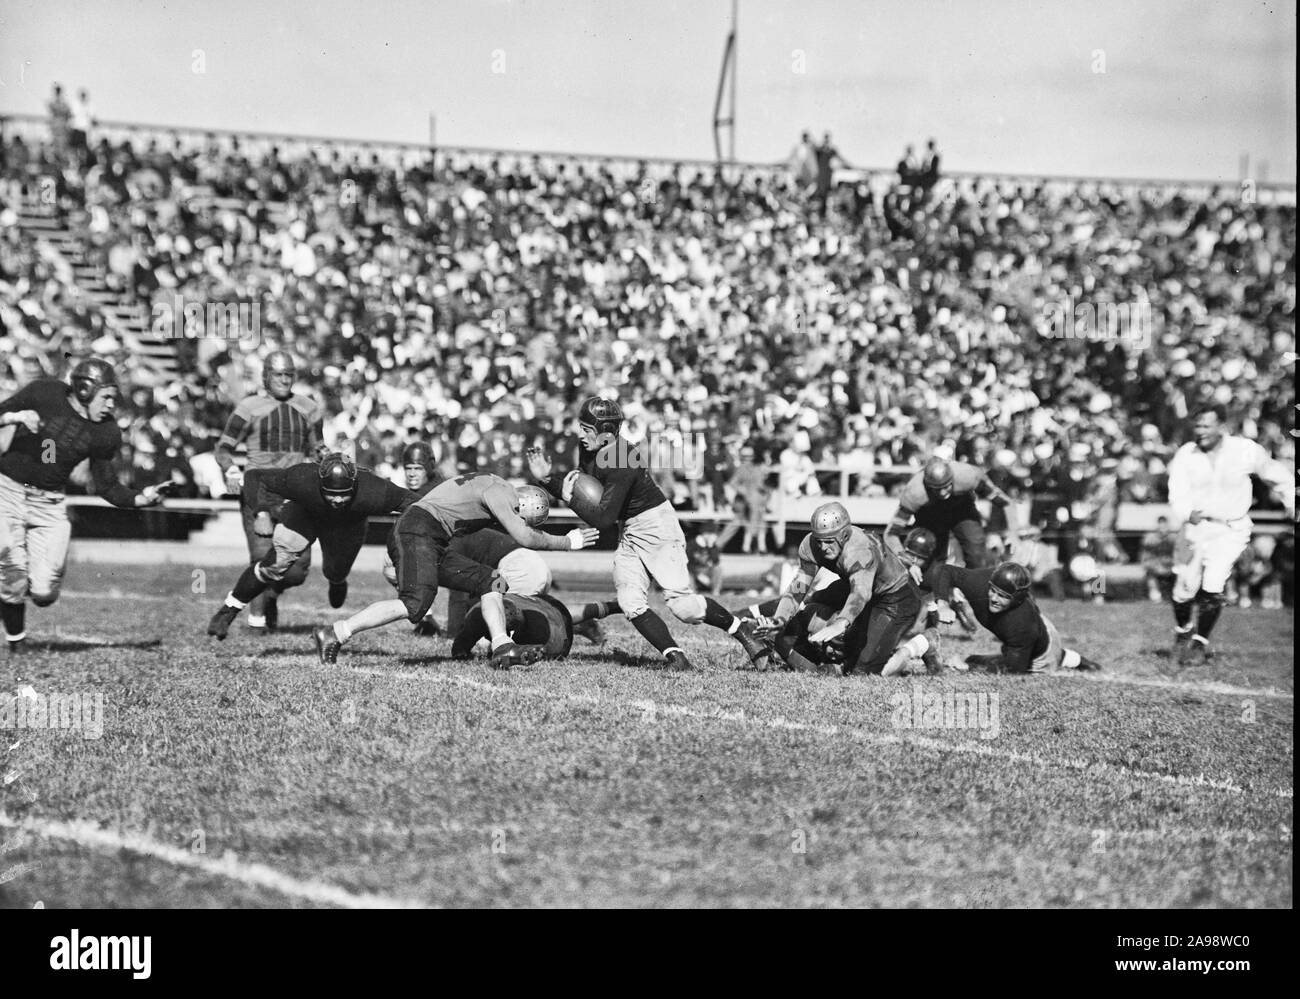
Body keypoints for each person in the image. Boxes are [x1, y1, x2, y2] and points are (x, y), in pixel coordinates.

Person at [527, 397, 770, 671]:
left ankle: (743, 630)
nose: (580, 434)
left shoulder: (622, 458)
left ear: (606, 431)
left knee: (683, 607)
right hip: (630, 527)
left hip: (656, 526)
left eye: (587, 429)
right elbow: (588, 493)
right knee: (630, 602)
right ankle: (677, 659)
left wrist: (568, 497)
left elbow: (602, 517)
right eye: (580, 427)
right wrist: (546, 479)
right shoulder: (591, 447)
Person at [314, 473, 598, 669]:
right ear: (521, 505)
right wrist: (567, 542)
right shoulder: (499, 493)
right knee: (415, 603)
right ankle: (336, 632)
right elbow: (525, 538)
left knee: (492, 580)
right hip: (418, 530)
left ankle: (501, 645)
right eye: (520, 517)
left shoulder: (495, 484)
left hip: (429, 535)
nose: (514, 520)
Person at [0, 359, 166, 659]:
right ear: (85, 389)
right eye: (107, 396)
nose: (111, 404)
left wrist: (140, 499)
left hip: (49, 503)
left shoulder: (105, 432)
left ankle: (24, 586)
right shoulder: (43, 392)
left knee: (43, 593)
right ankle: (16, 639)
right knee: (9, 562)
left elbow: (106, 485)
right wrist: (14, 416)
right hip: (6, 490)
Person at [207, 453, 412, 639]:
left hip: (349, 524)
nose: (338, 499)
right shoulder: (302, 478)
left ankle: (337, 579)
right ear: (320, 483)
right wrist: (261, 511)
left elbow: (417, 503)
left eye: (344, 493)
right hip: (304, 514)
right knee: (277, 562)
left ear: (356, 486)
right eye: (331, 493)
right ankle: (230, 608)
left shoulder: (374, 489)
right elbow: (254, 477)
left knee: (336, 571)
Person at [1165, 405, 1293, 664]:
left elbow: (1275, 474)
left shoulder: (1244, 450)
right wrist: (1186, 512)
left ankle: (1199, 645)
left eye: (1206, 426)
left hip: (1231, 528)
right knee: (1183, 589)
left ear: (1221, 425)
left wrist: (1290, 500)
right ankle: (1182, 632)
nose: (1200, 432)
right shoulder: (1186, 454)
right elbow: (1176, 492)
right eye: (1197, 426)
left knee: (1214, 582)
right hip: (1196, 528)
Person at [215, 351, 325, 632]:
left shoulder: (309, 407)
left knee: (298, 568)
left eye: (289, 374)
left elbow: (318, 447)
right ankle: (257, 622)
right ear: (266, 376)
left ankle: (271, 594)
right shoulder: (248, 406)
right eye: (279, 374)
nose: (285, 380)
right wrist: (230, 470)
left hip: (294, 493)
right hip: (259, 491)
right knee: (262, 555)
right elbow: (224, 447)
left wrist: (329, 456)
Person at [755, 502, 921, 676]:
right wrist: (779, 619)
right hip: (852, 586)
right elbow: (798, 587)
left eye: (828, 541)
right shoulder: (810, 545)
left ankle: (914, 647)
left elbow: (860, 593)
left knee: (862, 672)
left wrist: (841, 622)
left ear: (843, 536)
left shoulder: (860, 550)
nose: (823, 547)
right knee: (806, 611)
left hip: (894, 598)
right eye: (819, 541)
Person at [897, 561, 1102, 675]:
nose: (994, 598)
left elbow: (1014, 671)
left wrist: (971, 667)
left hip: (1041, 653)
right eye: (993, 591)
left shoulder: (1021, 624)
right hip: (1037, 629)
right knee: (975, 659)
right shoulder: (980, 582)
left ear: (1018, 599)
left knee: (1037, 661)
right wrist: (942, 603)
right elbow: (944, 570)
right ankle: (1076, 659)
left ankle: (1075, 660)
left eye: (1003, 596)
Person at [886, 456, 1020, 570]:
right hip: (930, 516)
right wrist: (904, 559)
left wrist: (1013, 532)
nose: (944, 493)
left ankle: (975, 592)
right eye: (937, 489)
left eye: (946, 486)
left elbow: (1006, 502)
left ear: (953, 479)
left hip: (962, 511)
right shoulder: (914, 493)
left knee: (977, 556)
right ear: (928, 486)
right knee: (927, 558)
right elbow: (891, 532)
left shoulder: (968, 475)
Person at [716, 445, 769, 554]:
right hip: (742, 504)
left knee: (759, 519)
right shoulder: (740, 469)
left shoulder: (757, 469)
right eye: (745, 456)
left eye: (749, 456)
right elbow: (733, 483)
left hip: (755, 503)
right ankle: (718, 545)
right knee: (739, 521)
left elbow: (762, 486)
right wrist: (745, 492)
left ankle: (756, 547)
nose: (747, 459)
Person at [1139, 515, 1179, 602]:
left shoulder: (1174, 538)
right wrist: (1154, 565)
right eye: (1161, 524)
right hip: (1156, 565)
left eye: (1165, 525)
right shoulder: (1150, 538)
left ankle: (1177, 594)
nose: (1163, 527)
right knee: (1149, 572)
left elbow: (1178, 555)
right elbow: (1145, 557)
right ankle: (1155, 595)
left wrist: (1171, 563)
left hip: (1170, 565)